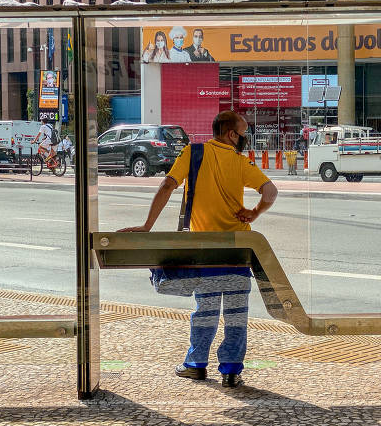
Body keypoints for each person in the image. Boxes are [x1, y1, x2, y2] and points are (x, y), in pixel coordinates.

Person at [119, 110, 278, 389]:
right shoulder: (241, 163)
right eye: (244, 133)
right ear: (231, 134)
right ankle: (230, 371)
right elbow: (270, 192)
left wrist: (147, 225)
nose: (246, 139)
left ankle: (196, 365)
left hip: (205, 250)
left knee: (205, 310)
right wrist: (253, 213)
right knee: (236, 314)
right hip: (238, 252)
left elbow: (168, 185)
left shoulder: (192, 153)